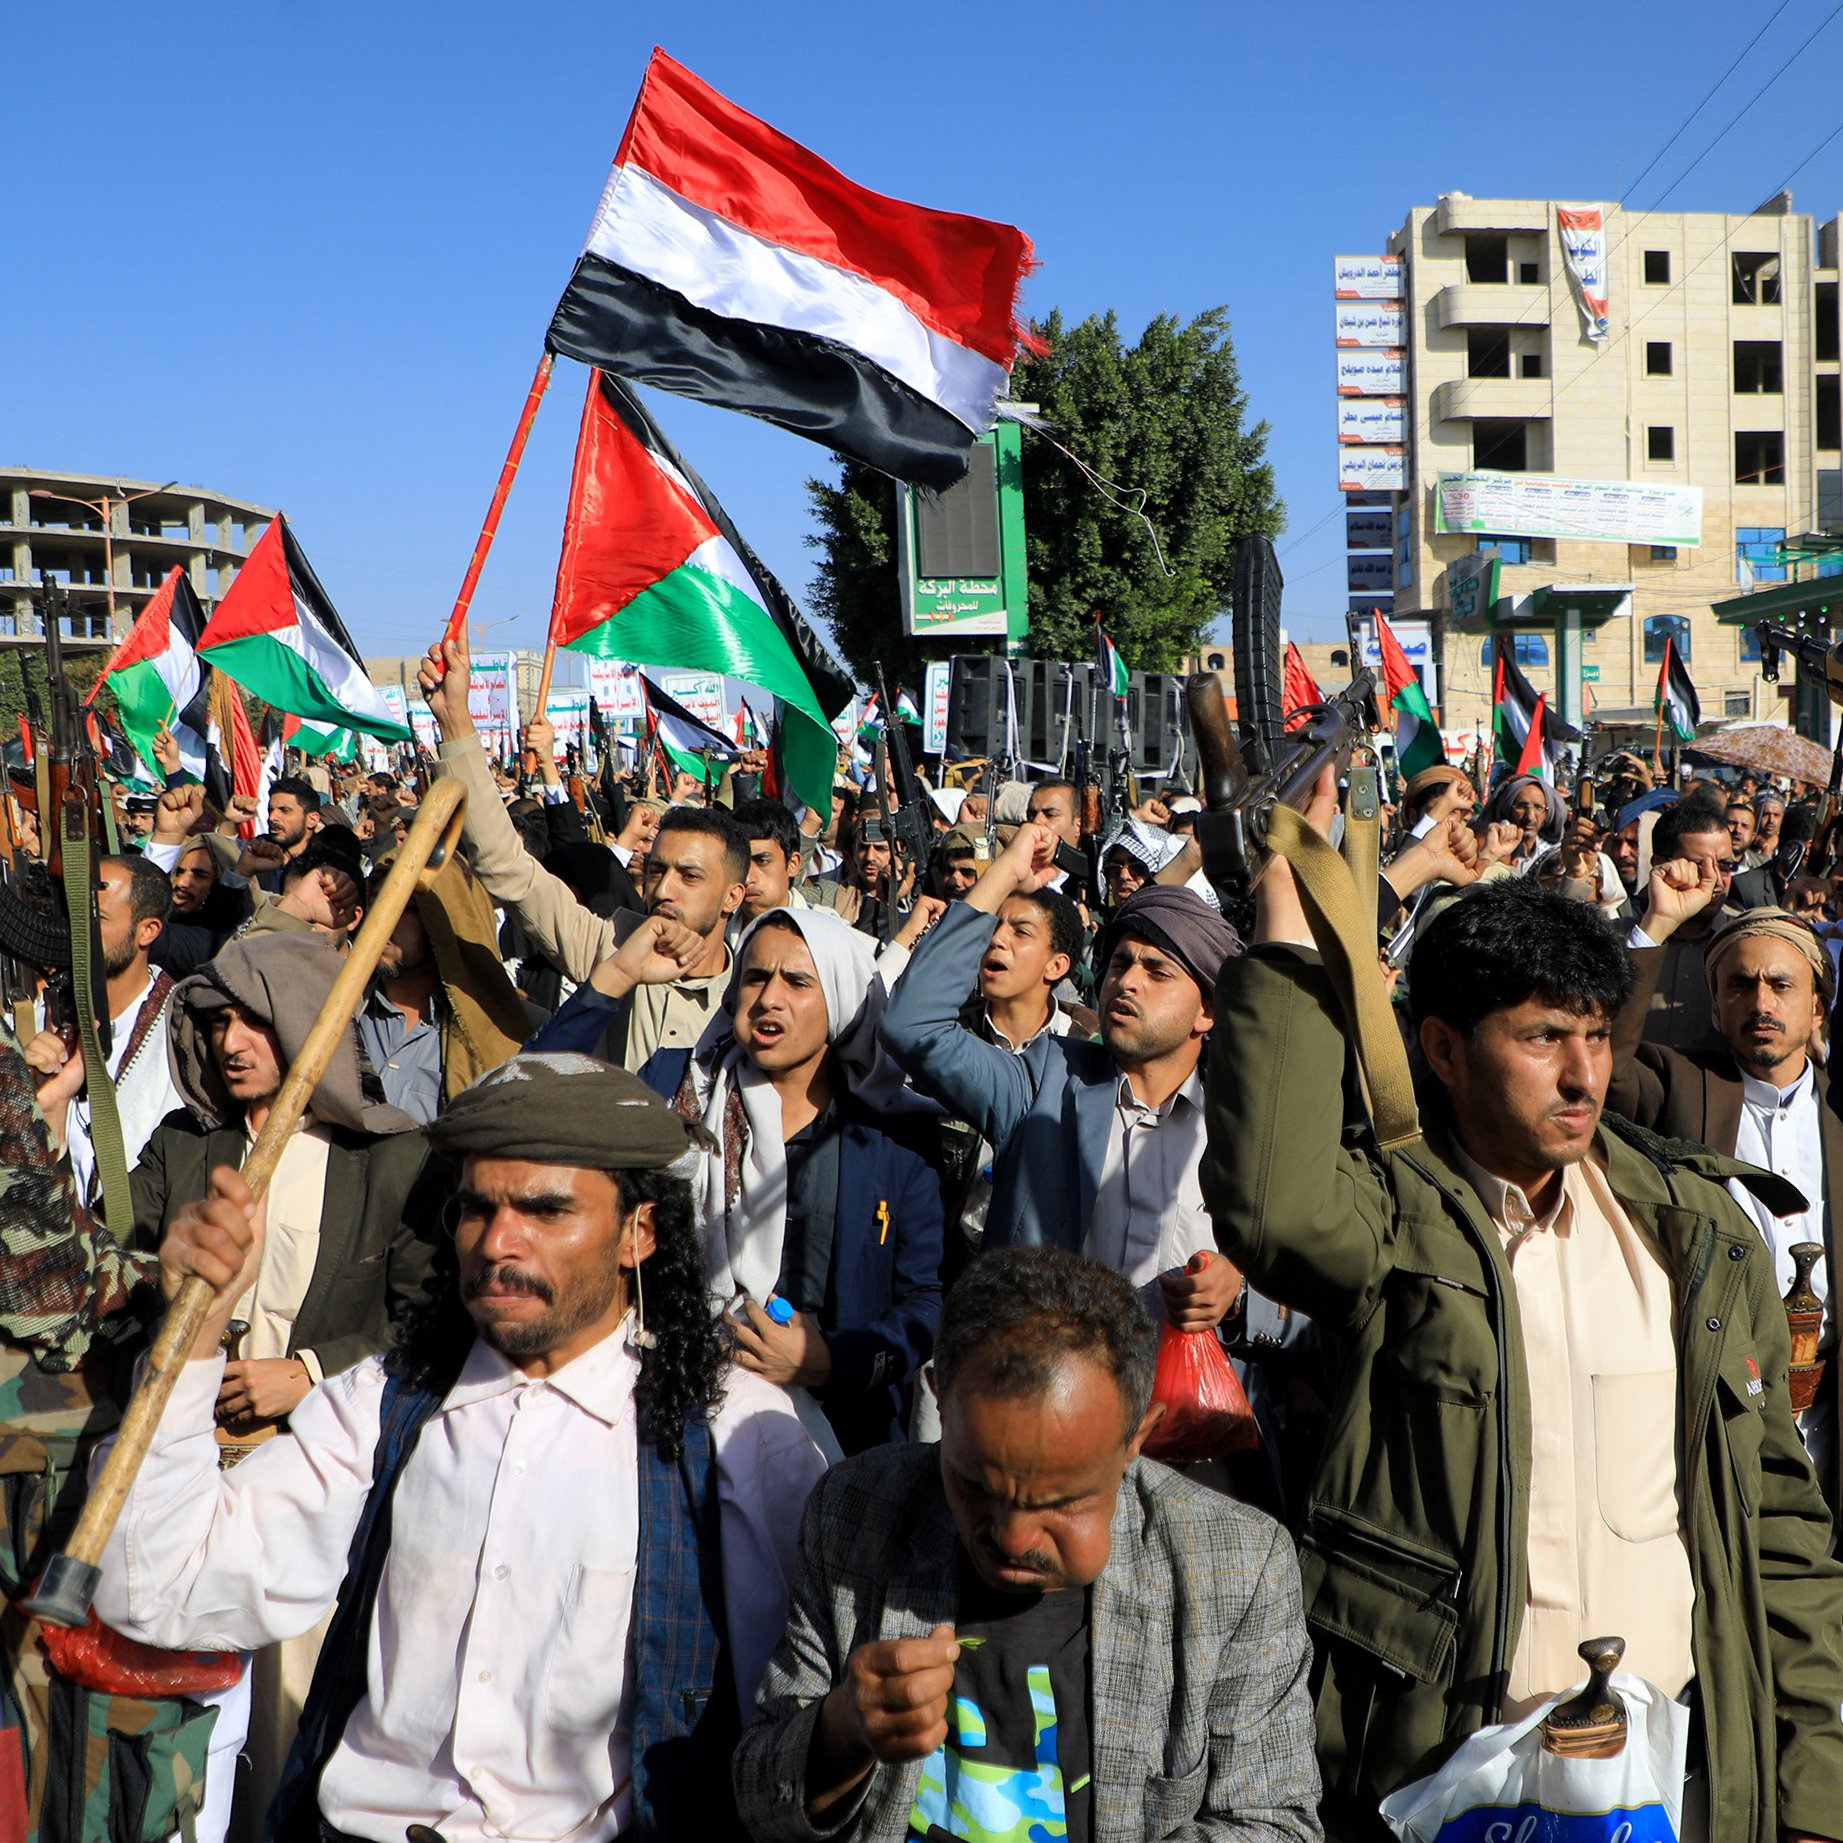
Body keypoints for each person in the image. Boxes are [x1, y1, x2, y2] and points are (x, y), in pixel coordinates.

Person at [1203, 769, 1843, 1841]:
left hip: (1676, 1776)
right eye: (1543, 1037)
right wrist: (1287, 929)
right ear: (1443, 1051)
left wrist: (1815, 1790)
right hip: (1454, 1772)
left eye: (1596, 1036)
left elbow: (1778, 1523)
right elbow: (1272, 1210)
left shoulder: (1699, 1230)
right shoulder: (1399, 1220)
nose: (1581, 1074)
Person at [94, 1052, 831, 1843]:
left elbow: (781, 1751)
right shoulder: (386, 1402)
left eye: (545, 1210)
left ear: (637, 1233)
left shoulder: (741, 1443)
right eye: (478, 1208)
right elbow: (156, 1589)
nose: (499, 1242)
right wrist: (197, 1331)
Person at [732, 1246, 1322, 1842]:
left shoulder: (1236, 1569)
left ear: (1136, 1439)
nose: (1012, 1537)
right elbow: (759, 1798)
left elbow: (1274, 1823)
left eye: (1061, 1501)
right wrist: (839, 1733)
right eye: (976, 1485)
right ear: (940, 1397)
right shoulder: (858, 1514)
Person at [882, 823, 1242, 1332]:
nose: (1128, 981)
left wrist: (1238, 1287)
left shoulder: (1241, 1126)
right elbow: (911, 1024)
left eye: (1157, 972)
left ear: (1206, 1012)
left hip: (1183, 1403)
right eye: (1119, 963)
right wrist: (1006, 871)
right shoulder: (1044, 1081)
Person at [420, 635, 745, 1087]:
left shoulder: (756, 987)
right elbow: (508, 869)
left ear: (733, 895)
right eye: (656, 870)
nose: (664, 889)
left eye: (689, 876)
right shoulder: (612, 943)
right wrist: (456, 721)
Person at [1611, 871, 1843, 1491]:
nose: (1761, 1003)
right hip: (1717, 1406)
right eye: (1740, 986)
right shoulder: (1682, 1084)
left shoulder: (1840, 1112)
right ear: (1716, 1007)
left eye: (1781, 985)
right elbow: (1600, 1070)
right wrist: (1655, 926)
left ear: (1816, 1006)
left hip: (1826, 1415)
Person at [687, 909, 945, 1454]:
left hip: (848, 1437)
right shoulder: (685, 1098)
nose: (769, 998)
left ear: (842, 1001)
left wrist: (833, 1362)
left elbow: (925, 1300)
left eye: (798, 982)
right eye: (755, 977)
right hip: (695, 1414)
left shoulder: (897, 1135)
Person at [21, 854, 184, 1211]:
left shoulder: (183, 1030)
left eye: (97, 919)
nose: (78, 932)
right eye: (74, 917)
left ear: (148, 930)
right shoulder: (35, 1020)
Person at [1631, 796, 1742, 1051]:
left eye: (1725, 866)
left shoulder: (1742, 941)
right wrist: (1657, 925)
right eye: (1697, 866)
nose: (1715, 880)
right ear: (1660, 865)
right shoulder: (1622, 939)